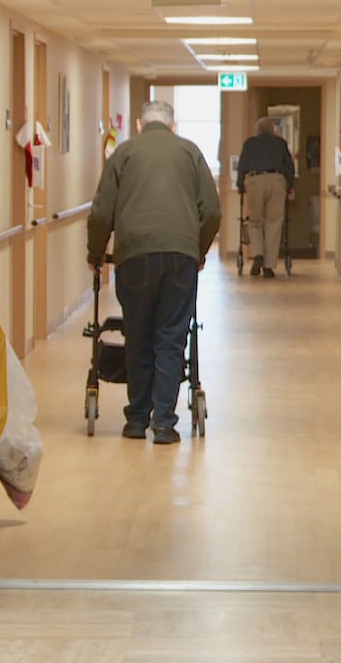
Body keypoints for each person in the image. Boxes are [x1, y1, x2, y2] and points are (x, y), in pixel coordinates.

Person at [87, 100, 222, 445]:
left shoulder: (123, 153)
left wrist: (95, 254)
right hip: (180, 256)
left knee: (139, 333)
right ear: (172, 125)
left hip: (134, 255)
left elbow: (102, 212)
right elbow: (212, 212)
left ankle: (135, 420)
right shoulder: (190, 152)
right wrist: (199, 251)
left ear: (138, 124)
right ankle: (164, 423)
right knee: (171, 336)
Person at [236, 117, 295, 277]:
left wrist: (240, 185)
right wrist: (289, 185)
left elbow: (242, 165)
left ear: (257, 130)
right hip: (276, 180)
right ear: (273, 130)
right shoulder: (280, 143)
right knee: (274, 223)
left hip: (255, 181)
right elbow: (289, 166)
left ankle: (258, 254)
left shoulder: (249, 144)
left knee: (255, 221)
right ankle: (269, 266)